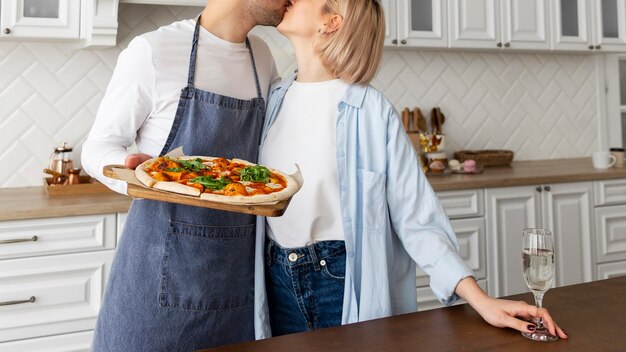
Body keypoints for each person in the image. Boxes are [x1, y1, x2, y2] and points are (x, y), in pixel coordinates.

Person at [252, 0, 569, 340]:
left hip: (338, 284)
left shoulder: (372, 111)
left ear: (330, 22)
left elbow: (416, 218)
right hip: (275, 280)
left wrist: (480, 300)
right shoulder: (274, 97)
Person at [81, 0, 288, 350]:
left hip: (236, 281)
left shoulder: (263, 58)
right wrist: (139, 176)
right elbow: (97, 147)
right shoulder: (153, 51)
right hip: (159, 272)